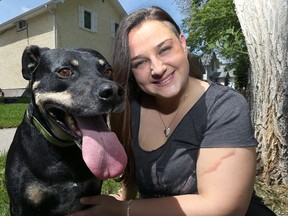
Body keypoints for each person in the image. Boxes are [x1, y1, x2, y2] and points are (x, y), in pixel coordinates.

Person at [70, 6, 276, 216]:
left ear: (183, 43)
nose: (158, 68)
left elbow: (224, 207)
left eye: (165, 49)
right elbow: (132, 172)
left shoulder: (225, 106)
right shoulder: (130, 110)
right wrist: (125, 195)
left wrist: (124, 210)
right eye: (140, 62)